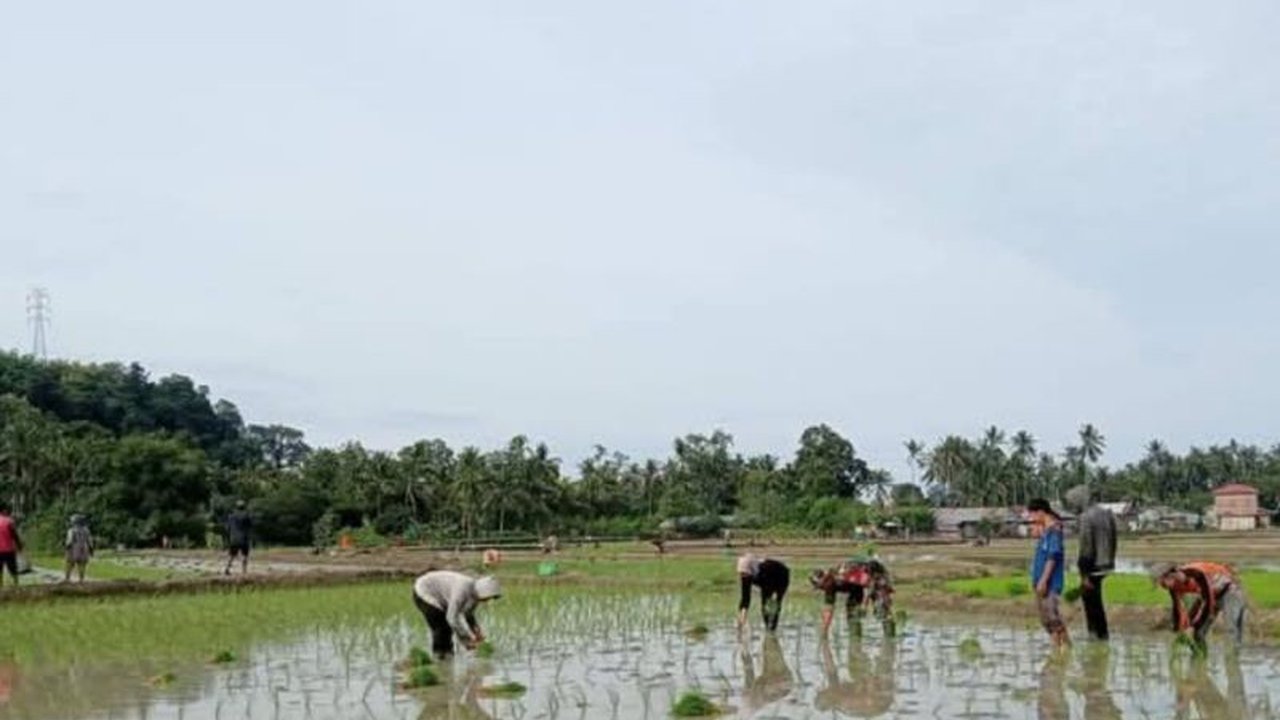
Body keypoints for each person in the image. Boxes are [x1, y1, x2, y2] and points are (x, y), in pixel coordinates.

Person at [1065, 485, 1117, 640]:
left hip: (1092, 566)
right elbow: (1114, 540)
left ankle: (1096, 636)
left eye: (1074, 503)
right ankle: (1101, 635)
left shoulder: (1086, 517)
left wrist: (1084, 574)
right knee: (1096, 601)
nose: (1073, 507)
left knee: (1091, 604)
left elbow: (1086, 548)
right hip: (1106, 564)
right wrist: (1111, 560)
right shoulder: (1107, 513)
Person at [1152, 561, 1246, 647]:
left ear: (1172, 575)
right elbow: (1177, 609)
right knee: (1198, 632)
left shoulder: (1196, 574)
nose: (1162, 585)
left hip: (1229, 591)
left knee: (1231, 628)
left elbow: (1209, 602)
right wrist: (1180, 631)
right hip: (1211, 594)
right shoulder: (1173, 586)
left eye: (1162, 581)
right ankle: (1199, 661)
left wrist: (1196, 624)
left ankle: (1233, 658)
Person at [412, 570, 502, 659]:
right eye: (487, 597)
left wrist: (477, 632)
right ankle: (439, 657)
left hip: (439, 596)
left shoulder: (475, 595)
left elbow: (469, 615)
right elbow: (451, 617)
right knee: (441, 627)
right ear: (483, 591)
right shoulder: (462, 590)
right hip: (423, 591)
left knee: (446, 629)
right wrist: (467, 640)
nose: (487, 601)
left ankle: (448, 657)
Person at [810, 557, 895, 634]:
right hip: (855, 587)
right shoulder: (829, 587)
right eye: (820, 588)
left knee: (881, 608)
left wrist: (864, 605)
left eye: (822, 586)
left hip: (874, 574)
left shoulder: (845, 572)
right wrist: (824, 632)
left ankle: (890, 637)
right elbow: (828, 610)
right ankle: (855, 640)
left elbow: (869, 584)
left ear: (827, 578)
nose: (823, 589)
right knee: (853, 613)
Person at [1027, 498, 1069, 648]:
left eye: (1032, 514)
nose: (1031, 519)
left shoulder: (1054, 531)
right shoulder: (1046, 531)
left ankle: (1061, 652)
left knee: (1053, 619)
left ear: (1040, 512)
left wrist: (1043, 580)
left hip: (1050, 584)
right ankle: (1061, 652)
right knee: (1047, 621)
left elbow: (1052, 557)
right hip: (1041, 582)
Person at [737, 553, 789, 633]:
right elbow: (745, 598)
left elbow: (767, 597)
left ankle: (772, 628)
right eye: (742, 575)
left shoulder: (764, 572)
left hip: (781, 577)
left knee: (771, 604)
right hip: (767, 579)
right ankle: (769, 628)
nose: (744, 578)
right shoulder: (746, 574)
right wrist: (741, 620)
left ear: (752, 572)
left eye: (746, 575)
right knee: (766, 606)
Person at [223, 500, 253, 576]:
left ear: (236, 507)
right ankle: (244, 572)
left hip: (233, 539)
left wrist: (228, 538)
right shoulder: (246, 516)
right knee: (245, 555)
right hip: (243, 538)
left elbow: (227, 528)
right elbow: (250, 527)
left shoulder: (231, 516)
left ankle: (227, 569)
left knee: (232, 555)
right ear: (244, 507)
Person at [64, 514, 94, 583]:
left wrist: (66, 547)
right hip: (84, 548)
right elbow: (89, 540)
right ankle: (81, 580)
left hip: (74, 548)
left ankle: (67, 579)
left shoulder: (72, 530)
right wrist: (91, 549)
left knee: (70, 564)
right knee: (82, 565)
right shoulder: (86, 530)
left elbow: (70, 540)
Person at [0, 501, 22, 588]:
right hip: (8, 550)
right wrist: (19, 546)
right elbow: (14, 535)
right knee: (13, 569)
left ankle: (1, 587)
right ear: (4, 510)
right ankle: (16, 585)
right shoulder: (9, 521)